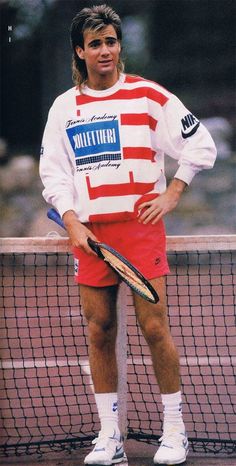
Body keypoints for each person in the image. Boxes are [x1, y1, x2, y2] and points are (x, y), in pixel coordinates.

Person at [39, 4, 217, 465]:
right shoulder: (64, 107)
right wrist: (72, 220)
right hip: (91, 235)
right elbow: (54, 173)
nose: (105, 50)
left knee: (155, 328)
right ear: (80, 51)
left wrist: (175, 192)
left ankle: (175, 433)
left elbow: (200, 144)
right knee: (99, 332)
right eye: (95, 43)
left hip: (141, 232)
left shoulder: (149, 97)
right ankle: (109, 438)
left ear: (120, 46)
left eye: (111, 41)